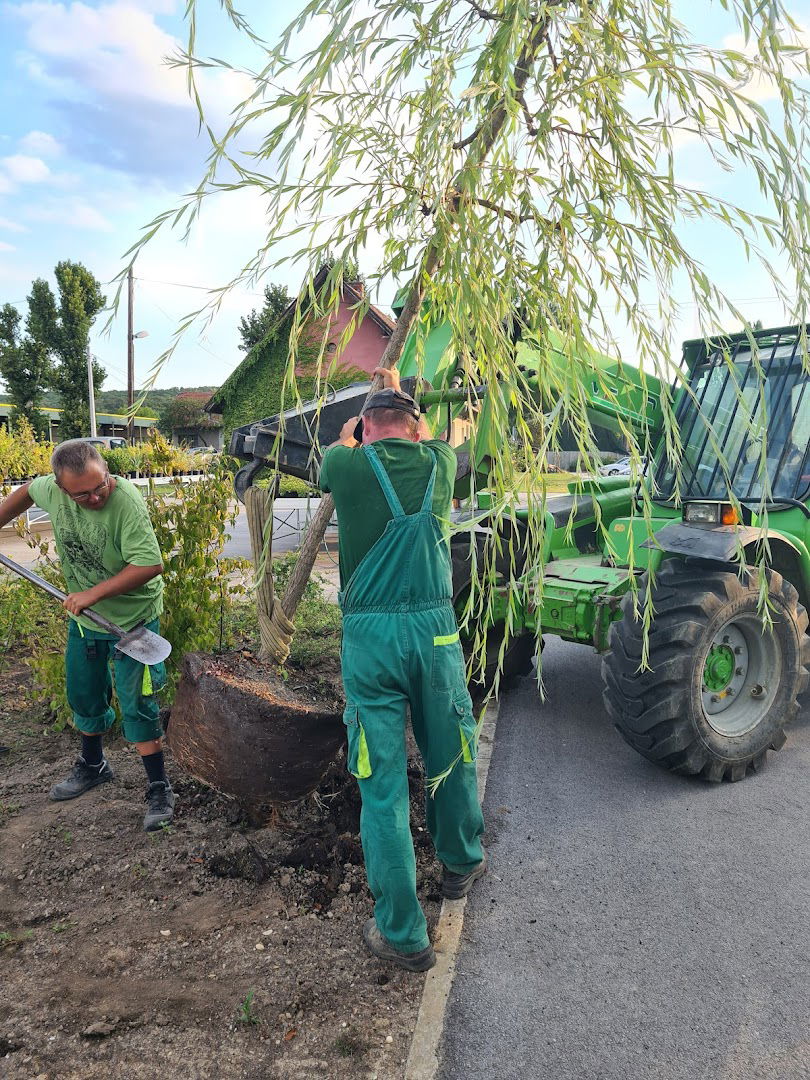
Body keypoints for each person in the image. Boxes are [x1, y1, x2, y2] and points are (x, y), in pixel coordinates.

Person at [319, 367, 487, 972]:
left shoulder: (345, 464)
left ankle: (403, 934)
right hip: (435, 631)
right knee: (450, 749)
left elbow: (333, 459)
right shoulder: (440, 464)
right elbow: (437, 438)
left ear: (366, 428)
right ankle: (461, 863)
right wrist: (396, 388)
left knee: (383, 783)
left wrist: (351, 430)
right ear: (415, 427)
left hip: (371, 640)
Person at [0, 439, 173, 831]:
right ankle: (94, 765)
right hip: (87, 622)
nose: (95, 496)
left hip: (134, 621)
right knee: (83, 693)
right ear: (62, 489)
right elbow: (27, 491)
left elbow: (149, 564)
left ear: (106, 471)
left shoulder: (125, 501)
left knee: (138, 704)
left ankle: (160, 787)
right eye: (82, 494)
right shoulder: (51, 490)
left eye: (101, 486)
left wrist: (91, 594)